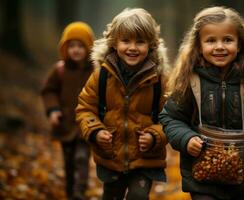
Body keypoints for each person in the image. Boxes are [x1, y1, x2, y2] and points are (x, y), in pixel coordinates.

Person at [159, 6, 244, 200]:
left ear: (239, 44)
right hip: (200, 175)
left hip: (238, 177)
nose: (219, 46)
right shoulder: (191, 82)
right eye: (210, 41)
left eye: (227, 40)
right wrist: (186, 139)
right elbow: (170, 117)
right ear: (198, 46)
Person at [75, 8, 170, 200]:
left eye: (140, 42)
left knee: (138, 196)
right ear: (114, 43)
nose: (132, 47)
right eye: (126, 41)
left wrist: (154, 136)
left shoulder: (160, 81)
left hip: (145, 159)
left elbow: (171, 117)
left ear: (150, 45)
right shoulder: (101, 76)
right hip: (111, 157)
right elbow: (85, 108)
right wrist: (95, 130)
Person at [41, 21, 95, 200]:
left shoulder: (95, 71)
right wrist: (53, 110)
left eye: (81, 46)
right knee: (69, 162)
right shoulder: (60, 70)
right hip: (65, 124)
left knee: (81, 159)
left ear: (89, 48)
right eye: (72, 46)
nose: (76, 50)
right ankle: (70, 193)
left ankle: (80, 192)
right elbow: (49, 91)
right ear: (65, 48)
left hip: (86, 125)